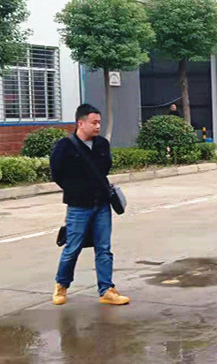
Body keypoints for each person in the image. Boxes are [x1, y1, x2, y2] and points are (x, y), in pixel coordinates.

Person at [50, 104, 130, 306]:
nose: (98, 126)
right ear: (81, 123)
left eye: (99, 123)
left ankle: (107, 290)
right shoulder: (65, 146)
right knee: (72, 248)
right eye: (94, 123)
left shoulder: (102, 144)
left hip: (102, 204)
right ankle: (61, 285)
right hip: (78, 206)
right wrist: (75, 189)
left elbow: (106, 167)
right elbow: (56, 173)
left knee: (104, 248)